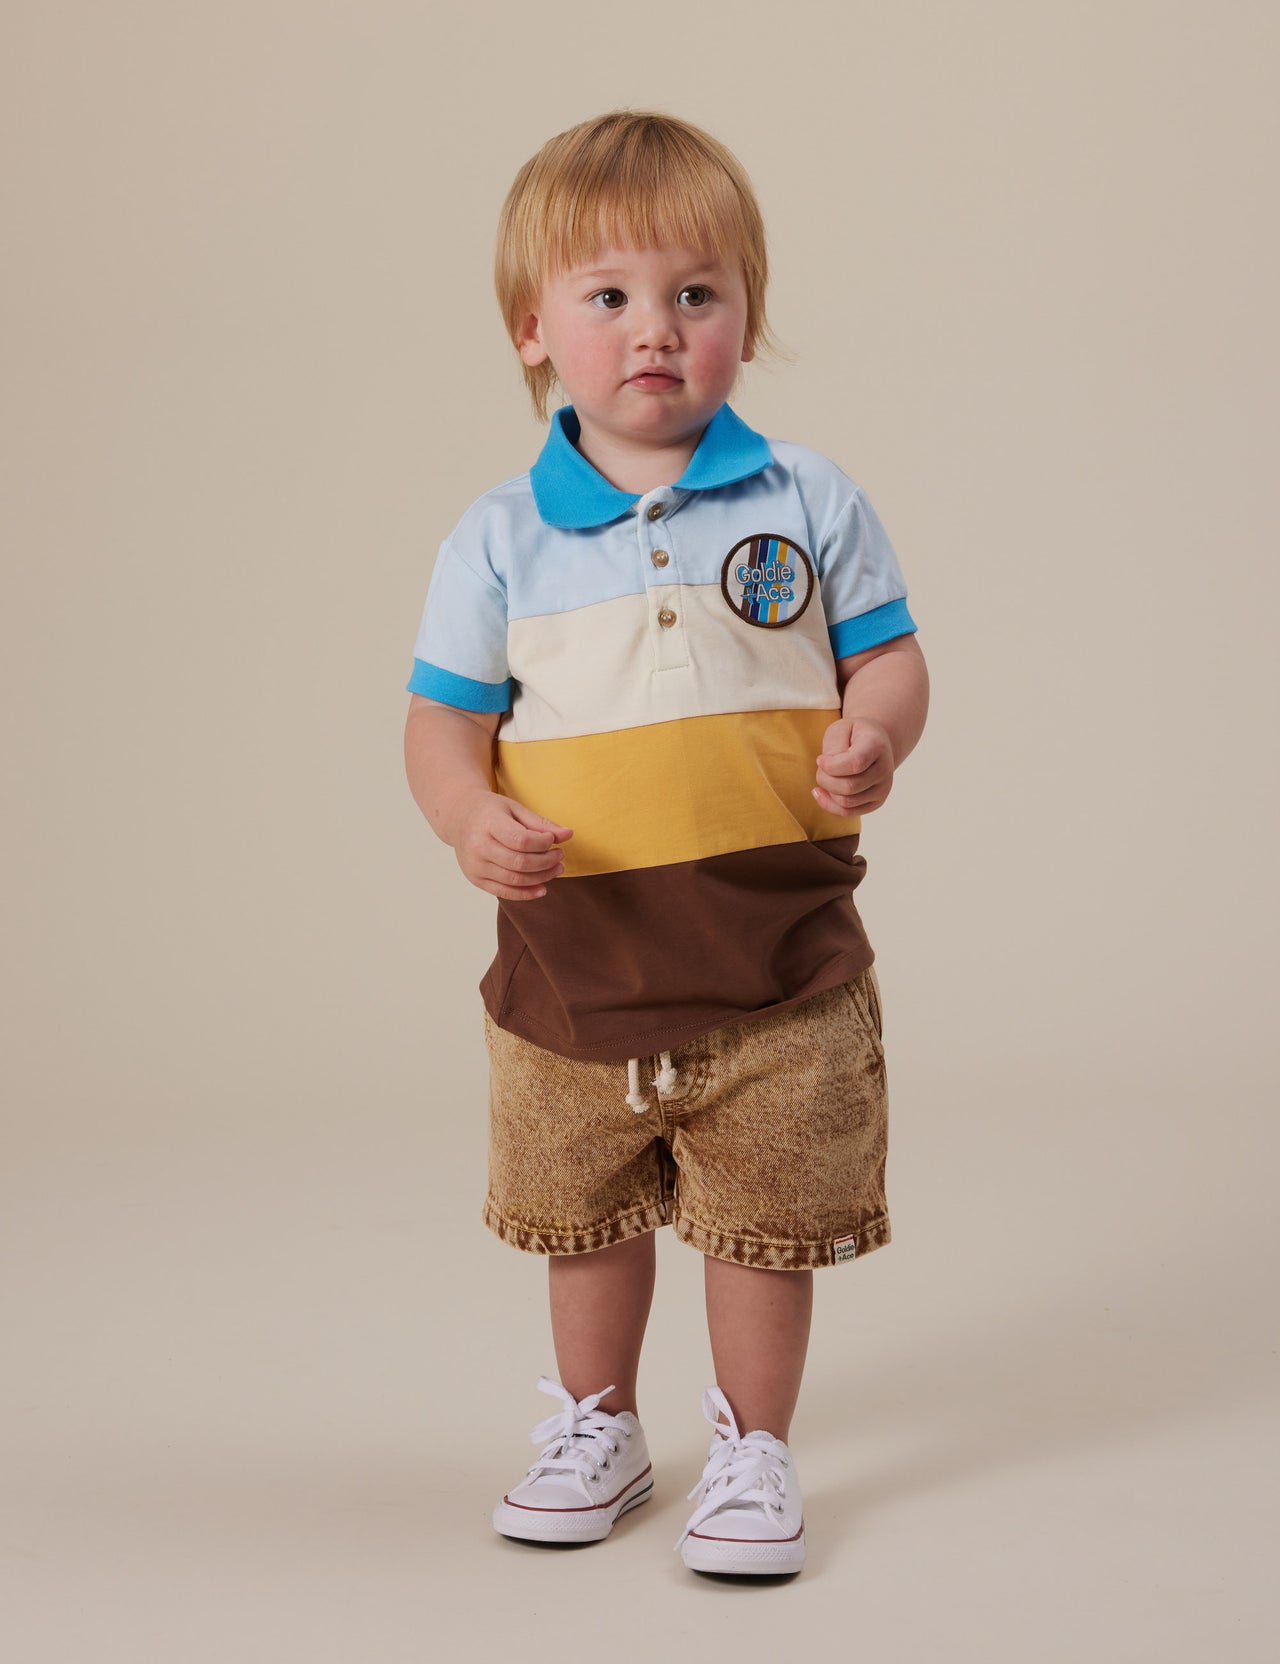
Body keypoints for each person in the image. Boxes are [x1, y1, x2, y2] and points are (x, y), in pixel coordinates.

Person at [403, 110, 929, 1577]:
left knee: (763, 1228)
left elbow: (891, 661)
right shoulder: (500, 538)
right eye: (611, 298)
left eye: (696, 294)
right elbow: (440, 727)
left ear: (744, 319)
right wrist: (466, 816)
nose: (657, 331)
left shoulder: (809, 499)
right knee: (588, 1214)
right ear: (534, 332)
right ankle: (598, 1423)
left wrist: (876, 732)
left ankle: (755, 1447)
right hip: (578, 971)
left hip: (783, 967)